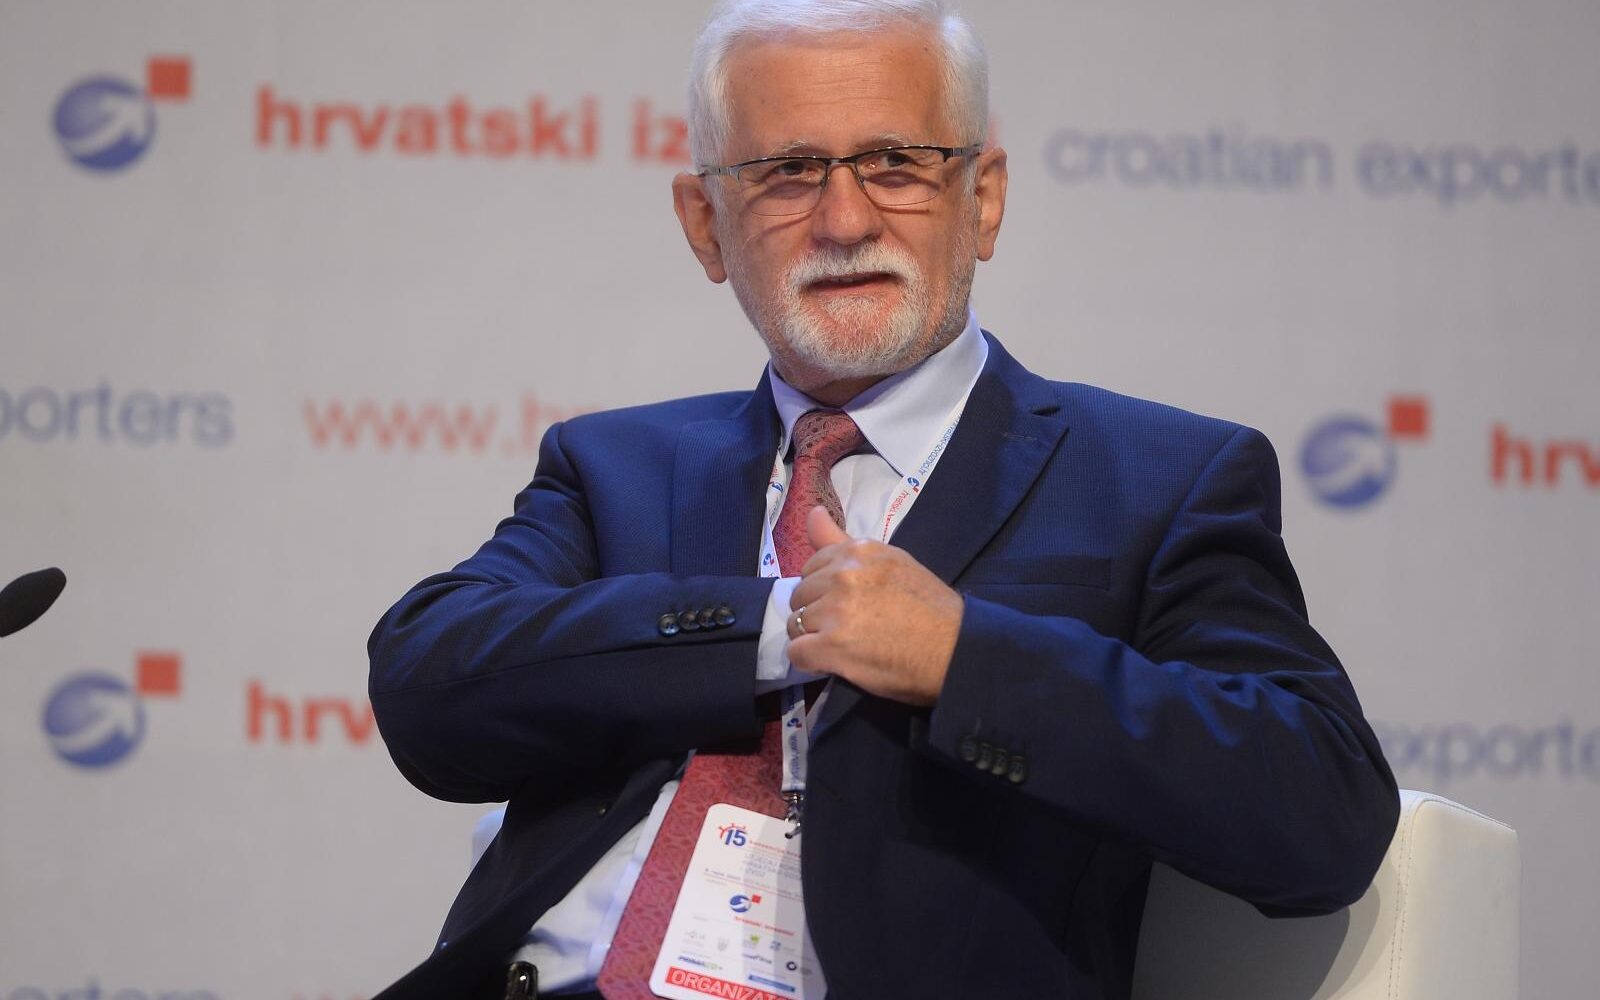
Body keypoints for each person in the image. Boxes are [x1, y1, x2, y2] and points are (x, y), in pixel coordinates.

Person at [367, 1, 1400, 997]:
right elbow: (426, 684)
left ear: (982, 198)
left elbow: (1322, 813)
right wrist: (771, 626)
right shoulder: (614, 466)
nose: (844, 220)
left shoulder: (1158, 478)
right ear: (706, 225)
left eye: (897, 164)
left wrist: (964, 658)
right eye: (787, 172)